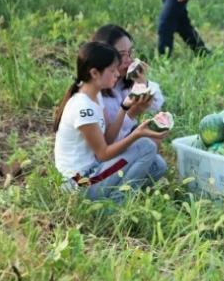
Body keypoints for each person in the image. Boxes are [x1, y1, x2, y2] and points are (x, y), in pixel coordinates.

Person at [53, 41, 168, 203]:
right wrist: (137, 134)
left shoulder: (95, 97)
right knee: (146, 146)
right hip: (80, 183)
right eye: (112, 70)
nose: (117, 74)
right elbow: (103, 153)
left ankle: (112, 197)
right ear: (94, 73)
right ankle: (116, 205)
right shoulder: (83, 107)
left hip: (95, 172)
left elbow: (108, 139)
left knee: (158, 166)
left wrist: (124, 107)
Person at [92, 24, 165, 144]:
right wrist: (130, 114)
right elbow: (107, 142)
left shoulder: (125, 80)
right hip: (107, 152)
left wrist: (143, 83)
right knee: (150, 144)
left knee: (155, 141)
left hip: (124, 139)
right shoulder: (96, 93)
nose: (129, 60)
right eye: (121, 55)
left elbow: (157, 104)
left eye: (130, 53)